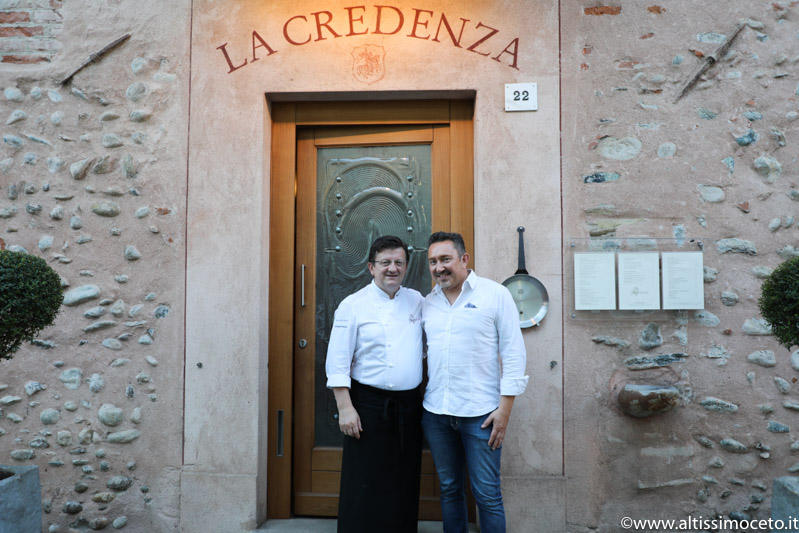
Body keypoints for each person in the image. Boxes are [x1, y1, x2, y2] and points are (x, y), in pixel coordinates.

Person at [422, 231, 528, 533]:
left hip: (482, 416)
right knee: (449, 490)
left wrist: (504, 411)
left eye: (445, 259)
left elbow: (513, 353)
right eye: (433, 261)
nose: (439, 267)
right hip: (437, 415)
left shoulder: (494, 295)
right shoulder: (428, 303)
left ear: (464, 259)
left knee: (488, 495)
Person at [325, 235, 425, 533]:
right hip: (366, 406)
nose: (392, 269)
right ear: (371, 267)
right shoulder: (352, 305)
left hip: (409, 408)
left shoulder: (418, 301)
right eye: (385, 263)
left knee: (403, 479)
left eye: (398, 263)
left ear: (406, 267)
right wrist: (345, 409)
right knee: (364, 480)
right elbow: (337, 362)